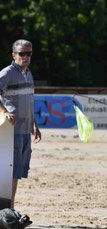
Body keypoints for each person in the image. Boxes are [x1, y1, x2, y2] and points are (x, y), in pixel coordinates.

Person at [0, 39, 41, 209]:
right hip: (10, 130)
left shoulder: (28, 73)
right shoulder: (7, 73)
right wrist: (4, 111)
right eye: (22, 53)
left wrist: (35, 125)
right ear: (13, 55)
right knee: (9, 171)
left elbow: (28, 102)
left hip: (25, 129)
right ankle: (6, 208)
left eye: (28, 53)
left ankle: (10, 207)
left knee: (17, 172)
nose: (26, 57)